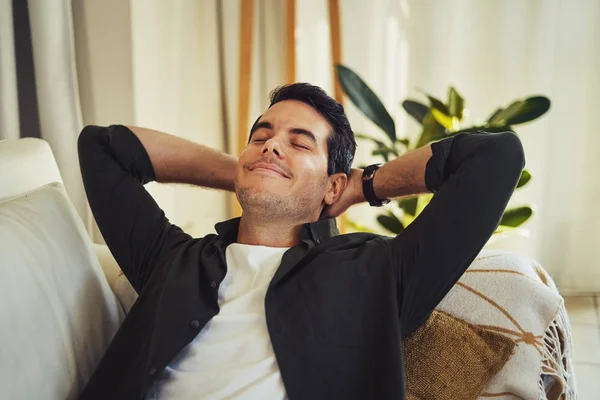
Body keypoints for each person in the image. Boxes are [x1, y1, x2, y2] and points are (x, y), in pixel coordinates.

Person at [77, 83, 524, 400]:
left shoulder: (376, 273)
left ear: (332, 187)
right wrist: (248, 170)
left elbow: (495, 156)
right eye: (262, 136)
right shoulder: (171, 259)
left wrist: (364, 185)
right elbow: (101, 147)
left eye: (299, 143)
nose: (271, 147)